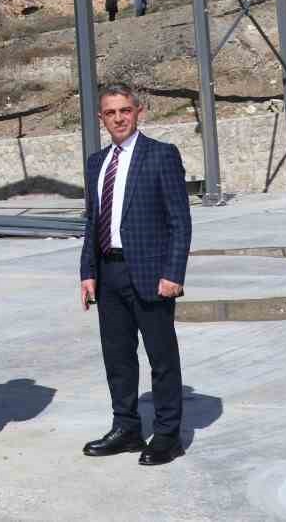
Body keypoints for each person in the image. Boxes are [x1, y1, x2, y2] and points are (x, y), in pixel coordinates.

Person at [79, 83, 192, 466]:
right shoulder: (96, 162)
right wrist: (87, 271)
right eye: (111, 113)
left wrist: (173, 273)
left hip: (150, 273)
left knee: (161, 357)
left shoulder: (161, 155)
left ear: (138, 111)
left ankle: (167, 435)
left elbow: (180, 221)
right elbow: (92, 222)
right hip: (108, 273)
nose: (119, 119)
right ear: (101, 118)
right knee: (118, 357)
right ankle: (126, 428)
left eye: (125, 110)